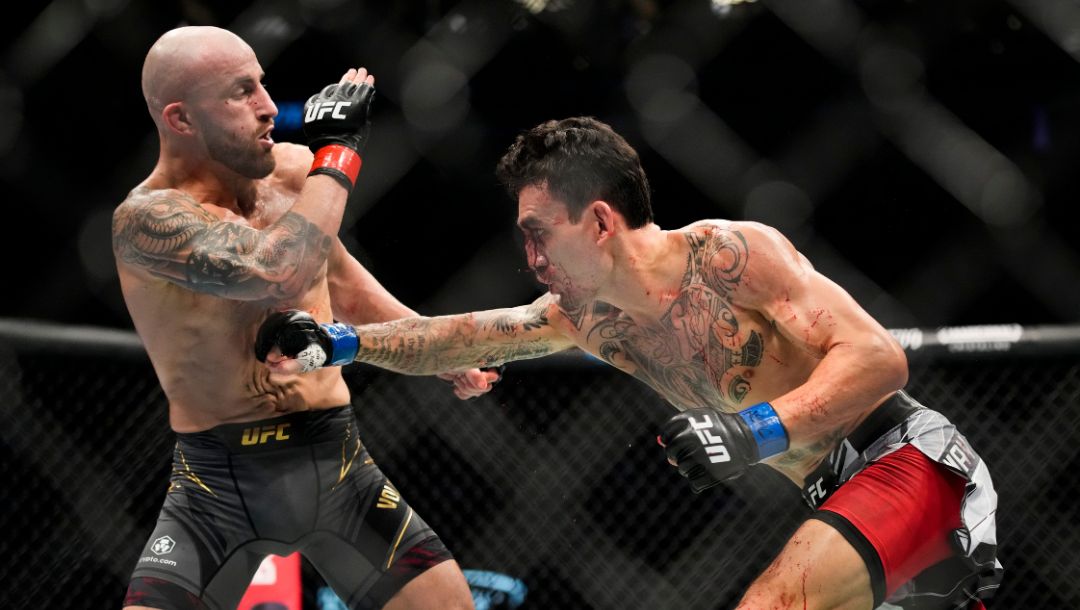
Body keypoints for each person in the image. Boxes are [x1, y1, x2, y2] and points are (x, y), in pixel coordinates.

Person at [254, 116, 1003, 609]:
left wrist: (752, 431)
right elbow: (465, 336)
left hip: (905, 461)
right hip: (837, 496)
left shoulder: (731, 256)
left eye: (540, 232)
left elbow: (878, 358)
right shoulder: (586, 318)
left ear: (602, 221)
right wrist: (343, 342)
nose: (531, 258)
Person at [113, 25, 499, 610]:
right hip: (217, 487)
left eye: (262, 85)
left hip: (339, 464)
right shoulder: (147, 220)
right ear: (182, 119)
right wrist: (339, 154)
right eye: (241, 93)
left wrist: (437, 351)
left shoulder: (297, 175)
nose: (269, 107)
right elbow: (276, 273)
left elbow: (343, 286)